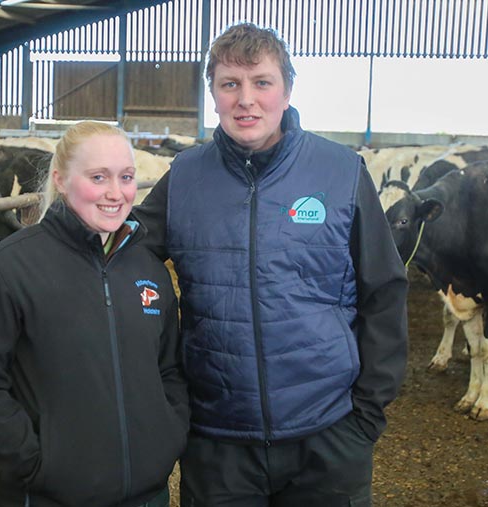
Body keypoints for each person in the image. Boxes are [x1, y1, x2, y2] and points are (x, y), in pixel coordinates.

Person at [133, 23, 408, 506]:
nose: (246, 100)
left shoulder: (341, 172)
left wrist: (366, 414)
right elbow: (116, 245)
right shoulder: (185, 178)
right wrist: (10, 276)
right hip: (218, 439)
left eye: (262, 82)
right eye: (229, 84)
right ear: (213, 94)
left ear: (287, 90)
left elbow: (383, 290)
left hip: (327, 435)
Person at [0, 121, 189, 507]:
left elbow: (169, 369)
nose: (115, 193)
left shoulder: (149, 269)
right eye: (98, 177)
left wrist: (168, 436)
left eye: (126, 177)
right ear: (60, 180)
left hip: (148, 495)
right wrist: (35, 464)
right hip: (50, 495)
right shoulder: (7, 267)